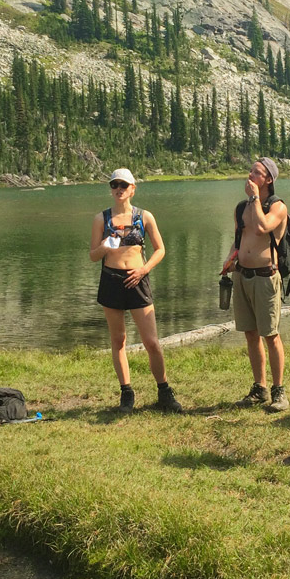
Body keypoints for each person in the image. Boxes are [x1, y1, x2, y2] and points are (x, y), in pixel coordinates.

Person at [89, 168, 182, 413]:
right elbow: (92, 255)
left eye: (123, 185)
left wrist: (144, 270)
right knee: (118, 340)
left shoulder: (144, 217)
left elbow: (160, 249)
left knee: (151, 342)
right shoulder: (102, 219)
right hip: (111, 280)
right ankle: (126, 394)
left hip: (138, 280)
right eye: (114, 185)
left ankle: (164, 391)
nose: (118, 189)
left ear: (132, 188)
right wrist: (105, 246)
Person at [225, 157, 290, 412]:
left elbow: (263, 227)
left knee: (270, 335)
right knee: (250, 334)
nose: (250, 175)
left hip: (266, 276)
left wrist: (254, 199)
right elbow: (238, 240)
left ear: (269, 179)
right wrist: (230, 259)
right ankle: (259, 388)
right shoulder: (241, 208)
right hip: (242, 276)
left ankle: (279, 391)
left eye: (257, 172)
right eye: (250, 170)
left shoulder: (277, 207)